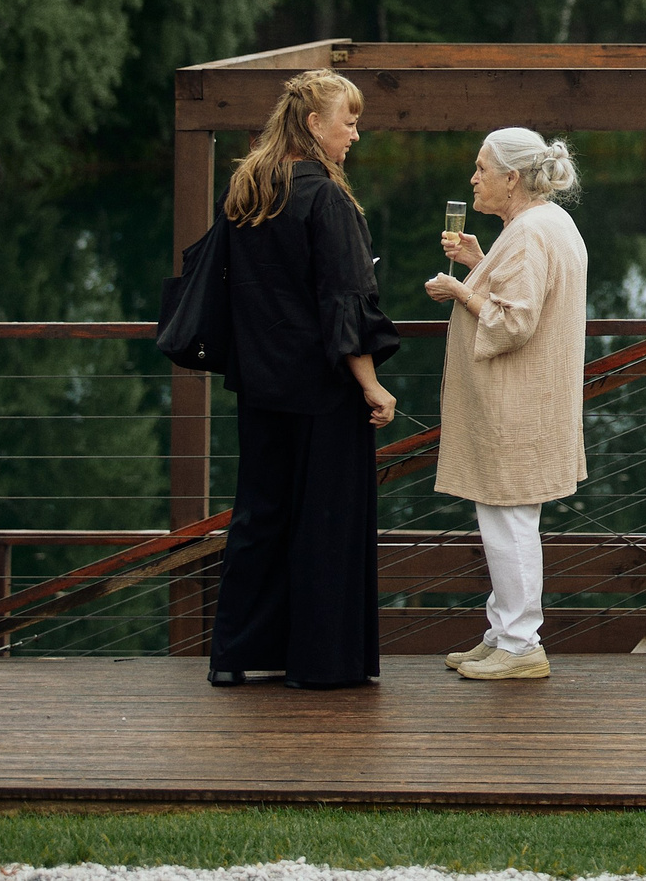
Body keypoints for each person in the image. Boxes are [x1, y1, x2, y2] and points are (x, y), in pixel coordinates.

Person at [208, 70, 400, 691]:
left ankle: (238, 654)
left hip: (262, 385)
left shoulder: (246, 190)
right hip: (322, 391)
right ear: (314, 125)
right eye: (349, 121)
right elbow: (345, 300)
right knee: (327, 520)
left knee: (261, 515)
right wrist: (371, 384)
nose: (355, 134)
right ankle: (320, 663)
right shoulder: (327, 199)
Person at [423, 129, 589, 682]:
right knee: (507, 517)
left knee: (509, 520)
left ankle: (520, 644)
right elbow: (522, 292)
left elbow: (513, 321)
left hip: (516, 405)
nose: (473, 178)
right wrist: (480, 259)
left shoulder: (529, 232)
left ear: (511, 178)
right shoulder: (543, 224)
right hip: (530, 403)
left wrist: (458, 289)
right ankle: (502, 633)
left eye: (481, 169)